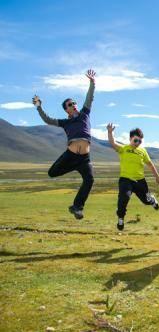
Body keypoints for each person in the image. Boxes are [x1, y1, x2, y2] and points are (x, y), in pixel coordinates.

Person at [32, 69, 96, 220]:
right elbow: (48, 120)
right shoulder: (65, 122)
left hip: (84, 158)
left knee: (90, 179)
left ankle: (77, 207)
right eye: (70, 104)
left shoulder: (84, 114)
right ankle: (72, 167)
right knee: (51, 173)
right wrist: (39, 107)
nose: (73, 105)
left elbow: (89, 98)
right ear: (66, 110)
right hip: (70, 156)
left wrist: (92, 83)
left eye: (74, 103)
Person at [107, 124, 159, 231]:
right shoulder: (124, 148)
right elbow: (112, 143)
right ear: (130, 138)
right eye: (136, 140)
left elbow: (150, 164)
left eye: (140, 141)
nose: (138, 143)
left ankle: (152, 200)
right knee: (124, 198)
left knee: (146, 201)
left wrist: (157, 177)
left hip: (140, 180)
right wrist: (110, 132)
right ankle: (121, 218)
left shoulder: (143, 151)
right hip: (125, 179)